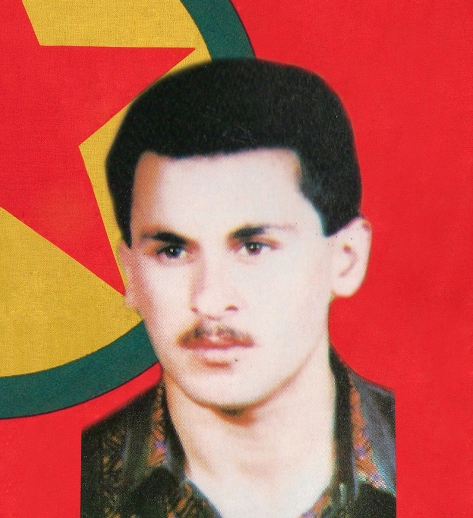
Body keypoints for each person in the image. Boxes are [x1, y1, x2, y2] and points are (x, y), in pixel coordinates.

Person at [81, 59, 395, 518]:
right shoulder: (67, 486)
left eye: (253, 247)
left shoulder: (448, 459)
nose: (209, 299)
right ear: (130, 275)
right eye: (172, 251)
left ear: (346, 259)